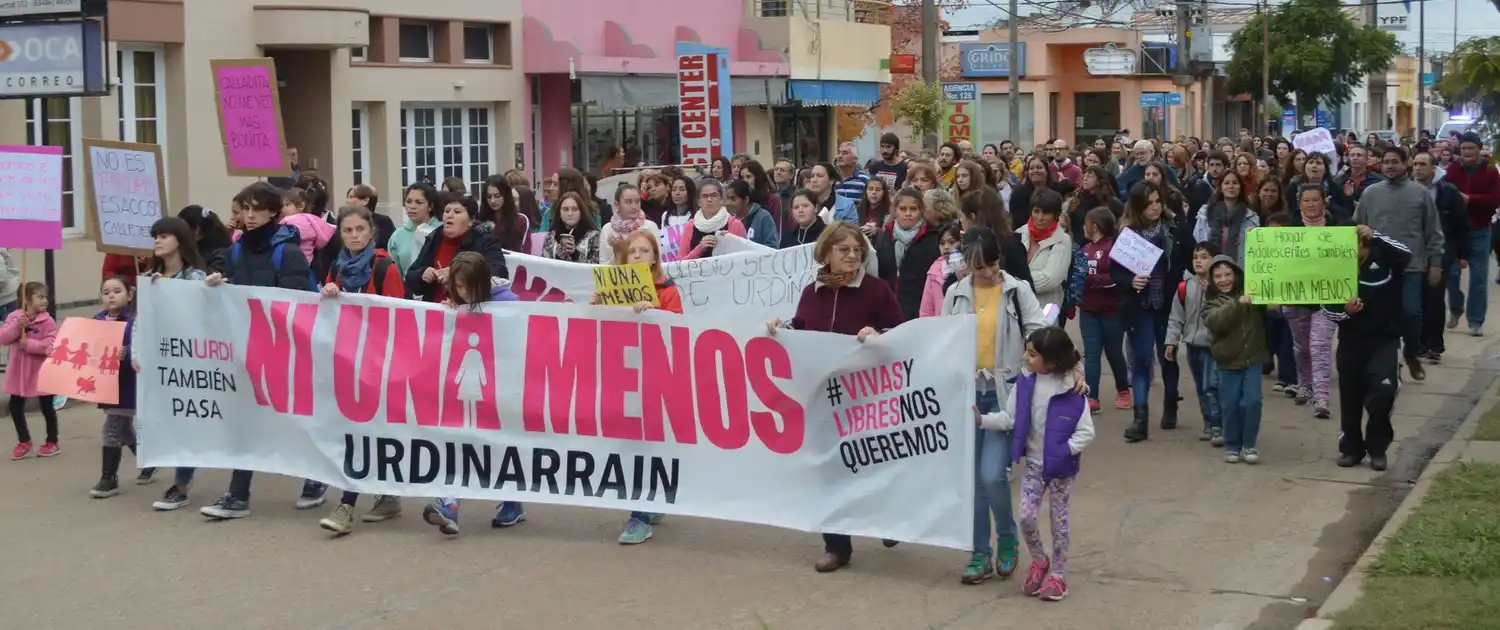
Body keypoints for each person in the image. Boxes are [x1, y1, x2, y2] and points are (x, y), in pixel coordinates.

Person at [765, 222, 903, 573]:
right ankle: (837, 546)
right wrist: (784, 331)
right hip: (823, 395)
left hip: (865, 394)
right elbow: (803, 327)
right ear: (826, 253)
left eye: (857, 250)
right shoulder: (813, 292)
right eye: (844, 249)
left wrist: (880, 334)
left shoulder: (877, 290)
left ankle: (890, 517)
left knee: (869, 462)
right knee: (829, 468)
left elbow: (901, 333)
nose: (852, 256)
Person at [201, 182, 326, 518]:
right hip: (247, 347)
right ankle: (238, 494)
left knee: (294, 419)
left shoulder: (289, 252)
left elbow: (295, 304)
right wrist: (216, 283)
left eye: (257, 208)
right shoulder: (237, 250)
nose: (250, 215)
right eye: (245, 208)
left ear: (274, 211)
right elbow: (223, 278)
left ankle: (315, 478)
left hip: (285, 350)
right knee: (245, 419)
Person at [976, 327, 1094, 602]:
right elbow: (1010, 418)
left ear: (1052, 361)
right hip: (1034, 466)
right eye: (1027, 352)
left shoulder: (1073, 390)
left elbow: (1086, 431)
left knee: (1059, 523)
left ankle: (1058, 575)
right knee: (1026, 516)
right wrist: (982, 419)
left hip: (1062, 470)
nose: (1025, 357)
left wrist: (1066, 450)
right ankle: (1040, 561)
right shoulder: (1026, 383)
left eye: (1032, 354)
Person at [315, 205, 409, 534]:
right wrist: (326, 295)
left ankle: (346, 505)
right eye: (347, 231)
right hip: (346, 360)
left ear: (371, 231)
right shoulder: (337, 268)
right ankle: (389, 496)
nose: (354, 236)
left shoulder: (385, 268)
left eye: (359, 229)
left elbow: (399, 316)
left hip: (379, 364)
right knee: (364, 433)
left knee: (362, 432)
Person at [421, 252, 522, 536]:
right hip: (468, 393)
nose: (461, 293)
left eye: (466, 287)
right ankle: (449, 505)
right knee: (460, 442)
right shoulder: (459, 305)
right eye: (457, 287)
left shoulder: (509, 304)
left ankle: (513, 502)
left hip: (502, 389)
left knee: (501, 446)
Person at [1321, 226, 1410, 471]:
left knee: (1384, 392)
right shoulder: (1335, 270)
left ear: (1363, 243)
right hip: (1351, 342)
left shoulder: (1385, 259)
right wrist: (1345, 313)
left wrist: (1378, 235)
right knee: (1350, 398)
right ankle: (1351, 449)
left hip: (1385, 340)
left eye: (1356, 244)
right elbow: (1327, 310)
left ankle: (1378, 447)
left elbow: (1407, 254)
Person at [1354, 145, 1444, 382]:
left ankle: (1412, 352)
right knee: (1385, 318)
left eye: (1395, 161)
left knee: (1411, 312)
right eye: (1386, 162)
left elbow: (1433, 232)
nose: (1390, 166)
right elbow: (1355, 228)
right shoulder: (1370, 193)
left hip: (1412, 265)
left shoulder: (1420, 193)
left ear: (1406, 164)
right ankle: (1389, 365)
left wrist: (1435, 263)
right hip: (1378, 269)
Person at [141, 217, 211, 510]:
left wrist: (212, 290)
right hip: (157, 361)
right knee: (161, 419)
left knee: (185, 421)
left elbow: (204, 316)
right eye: (155, 236)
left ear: (180, 241)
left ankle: (181, 483)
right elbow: (140, 321)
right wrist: (136, 353)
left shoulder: (194, 278)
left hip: (188, 361)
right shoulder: (149, 279)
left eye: (164, 235)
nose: (157, 241)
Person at [1114, 181, 1188, 440]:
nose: (1155, 207)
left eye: (1158, 201)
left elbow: (1190, 257)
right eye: (1149, 204)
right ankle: (1140, 417)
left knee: (1168, 355)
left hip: (1167, 304)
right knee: (1142, 359)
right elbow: (1115, 271)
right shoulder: (1127, 235)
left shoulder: (1174, 229)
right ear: (1137, 207)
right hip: (1140, 306)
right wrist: (1129, 281)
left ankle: (1170, 401)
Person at [89, 277, 152, 497]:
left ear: (130, 294)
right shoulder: (97, 320)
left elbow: (144, 347)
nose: (111, 296)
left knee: (112, 428)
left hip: (127, 384)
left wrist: (127, 352)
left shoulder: (134, 321)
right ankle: (148, 459)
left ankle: (109, 478)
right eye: (106, 292)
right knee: (124, 428)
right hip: (107, 384)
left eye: (117, 291)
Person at [1202, 255, 1268, 464]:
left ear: (1236, 275)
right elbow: (1217, 322)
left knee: (1252, 402)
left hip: (1253, 359)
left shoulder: (1252, 294)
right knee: (1229, 405)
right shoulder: (1211, 303)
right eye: (1218, 276)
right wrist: (1238, 304)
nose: (1223, 279)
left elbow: (1272, 308)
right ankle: (1232, 445)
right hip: (1227, 362)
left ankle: (1249, 444)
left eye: (1228, 274)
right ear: (1212, 279)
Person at [1413, 151, 1470, 363]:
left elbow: (1461, 225)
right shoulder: (1409, 190)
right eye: (1415, 164)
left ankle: (1434, 345)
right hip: (1414, 254)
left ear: (1433, 167)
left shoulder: (1448, 192)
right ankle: (1418, 344)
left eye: (1422, 164)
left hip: (1440, 253)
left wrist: (1463, 254)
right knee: (1416, 301)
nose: (1417, 168)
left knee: (1435, 299)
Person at [1442, 132, 1500, 337]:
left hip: (1480, 230)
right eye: (1464, 148)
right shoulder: (1453, 169)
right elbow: (1445, 193)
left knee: (1478, 277)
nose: (1466, 152)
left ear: (1479, 149)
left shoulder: (1491, 171)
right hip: (1456, 232)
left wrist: (1470, 199)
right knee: (1451, 273)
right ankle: (1456, 307)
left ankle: (1476, 321)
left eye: (1470, 148)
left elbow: (1495, 201)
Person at [1166, 242, 1223, 443]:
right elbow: (1176, 317)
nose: (1199, 261)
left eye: (1204, 257)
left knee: (1212, 385)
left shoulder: (1221, 286)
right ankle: (1208, 422)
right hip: (1193, 344)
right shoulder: (1185, 287)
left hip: (1215, 345)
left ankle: (1218, 425)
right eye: (1196, 257)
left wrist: (1213, 292)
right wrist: (1171, 341)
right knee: (1201, 387)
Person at [405, 193, 508, 303]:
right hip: (435, 309)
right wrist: (422, 274)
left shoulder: (485, 240)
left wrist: (459, 274)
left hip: (469, 310)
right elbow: (411, 276)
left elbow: (499, 273)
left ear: (471, 221)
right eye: (447, 211)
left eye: (457, 212)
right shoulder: (435, 237)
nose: (449, 215)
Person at [1078, 207, 1132, 413]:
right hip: (1088, 310)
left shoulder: (1113, 248)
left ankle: (1123, 390)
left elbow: (1116, 280)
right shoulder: (1084, 250)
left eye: (1086, 222)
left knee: (1114, 353)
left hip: (1111, 311)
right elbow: (1079, 277)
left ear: (1095, 226)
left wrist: (1091, 279)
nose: (1083, 226)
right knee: (1091, 354)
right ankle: (1092, 396)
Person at [2, 281, 58, 460]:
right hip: (19, 371)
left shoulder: (48, 321)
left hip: (41, 371)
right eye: (40, 296)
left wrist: (31, 345)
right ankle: (24, 441)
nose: (45, 300)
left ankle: (52, 441)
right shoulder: (14, 317)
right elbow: (3, 338)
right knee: (15, 406)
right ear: (26, 299)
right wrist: (18, 326)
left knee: (47, 406)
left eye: (45, 297)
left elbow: (51, 344)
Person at [1019, 188, 1073, 311]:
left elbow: (1050, 279)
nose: (1040, 217)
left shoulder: (1062, 240)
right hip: (1019, 309)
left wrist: (1015, 281)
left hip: (1045, 310)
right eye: (1036, 211)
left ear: (1056, 216)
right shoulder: (1020, 233)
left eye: (1046, 213)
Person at [1192, 171, 1258, 266]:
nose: (1231, 186)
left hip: (1240, 270)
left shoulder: (1251, 217)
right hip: (1211, 269)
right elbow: (1199, 242)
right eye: (1227, 183)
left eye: (1235, 183)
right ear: (1221, 188)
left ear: (1240, 187)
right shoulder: (1205, 214)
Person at [679, 179, 746, 260]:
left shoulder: (735, 224)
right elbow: (680, 262)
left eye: (714, 195)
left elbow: (744, 259)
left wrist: (728, 242)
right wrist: (699, 249)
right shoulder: (690, 226)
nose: (709, 200)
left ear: (722, 199)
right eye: (705, 196)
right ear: (698, 202)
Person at [598, 184, 661, 266]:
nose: (634, 207)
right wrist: (617, 253)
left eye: (637, 201)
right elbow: (602, 267)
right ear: (617, 205)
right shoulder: (607, 229)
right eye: (628, 202)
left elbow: (658, 260)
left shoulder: (650, 227)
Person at [389, 183, 443, 275]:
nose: (412, 206)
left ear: (430, 206)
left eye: (419, 202)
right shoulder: (397, 235)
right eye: (408, 201)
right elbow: (395, 272)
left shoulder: (442, 231)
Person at [279, 187, 336, 265]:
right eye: (282, 205)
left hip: (294, 260)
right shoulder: (311, 220)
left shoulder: (291, 220)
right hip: (308, 261)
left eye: (287, 205)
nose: (283, 209)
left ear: (301, 206)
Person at [542, 192, 602, 264]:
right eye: (565, 209)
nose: (570, 213)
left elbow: (596, 268)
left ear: (581, 212)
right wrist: (561, 252)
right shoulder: (551, 236)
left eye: (574, 209)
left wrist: (575, 254)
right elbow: (545, 265)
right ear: (559, 212)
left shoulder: (594, 236)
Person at [919, 223, 963, 318]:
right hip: (939, 327)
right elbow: (926, 311)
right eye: (942, 243)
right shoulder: (933, 272)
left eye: (951, 242)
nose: (946, 247)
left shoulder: (966, 268)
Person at [725, 180, 779, 249]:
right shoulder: (728, 219)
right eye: (727, 198)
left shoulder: (763, 217)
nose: (728, 203)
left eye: (733, 199)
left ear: (746, 199)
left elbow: (772, 246)